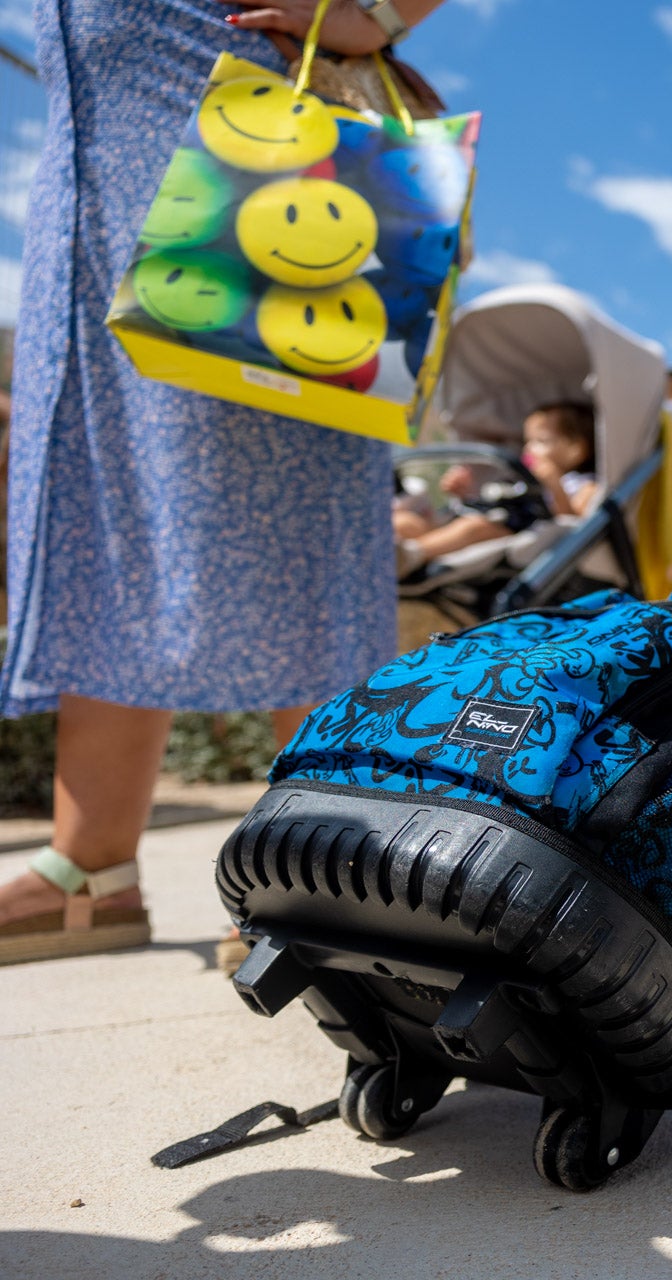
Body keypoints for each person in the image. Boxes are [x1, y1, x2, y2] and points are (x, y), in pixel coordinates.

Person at [0, 0, 447, 966]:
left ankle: (334, 855)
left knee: (293, 498)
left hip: (248, 146)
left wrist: (371, 12)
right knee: (101, 499)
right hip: (87, 188)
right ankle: (93, 868)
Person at [393, 403, 599, 577]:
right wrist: (465, 493)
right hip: (478, 516)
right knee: (405, 522)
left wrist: (554, 485)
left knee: (472, 528)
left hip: (511, 531)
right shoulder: (521, 477)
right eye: (527, 441)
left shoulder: (584, 485)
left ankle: (410, 555)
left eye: (541, 441)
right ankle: (383, 553)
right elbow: (497, 499)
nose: (529, 450)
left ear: (575, 449)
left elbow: (571, 525)